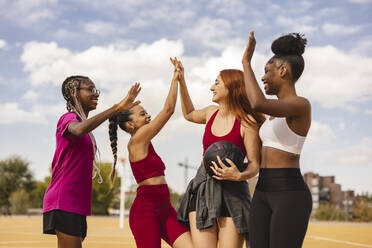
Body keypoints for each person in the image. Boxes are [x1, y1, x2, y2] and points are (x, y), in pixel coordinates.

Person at [42, 75, 141, 248]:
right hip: (63, 199)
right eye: (90, 89)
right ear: (74, 92)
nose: (96, 94)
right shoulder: (68, 118)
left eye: (96, 90)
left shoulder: (83, 123)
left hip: (77, 203)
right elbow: (79, 130)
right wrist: (117, 107)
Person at [176, 60, 265, 247]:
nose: (211, 87)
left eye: (217, 83)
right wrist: (182, 81)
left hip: (233, 194)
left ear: (232, 87)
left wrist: (239, 175)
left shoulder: (247, 122)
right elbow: (189, 113)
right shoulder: (210, 113)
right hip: (202, 190)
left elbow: (255, 164)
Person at [108, 58, 193, 248]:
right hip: (146, 211)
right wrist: (175, 79)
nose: (147, 115)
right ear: (131, 125)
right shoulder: (137, 139)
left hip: (165, 207)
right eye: (142, 114)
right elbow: (169, 110)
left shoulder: (145, 140)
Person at [242, 31, 312, 248]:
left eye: (266, 71)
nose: (263, 77)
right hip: (262, 190)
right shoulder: (271, 116)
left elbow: (257, 103)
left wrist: (246, 63)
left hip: (289, 193)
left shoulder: (300, 105)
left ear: (283, 70)